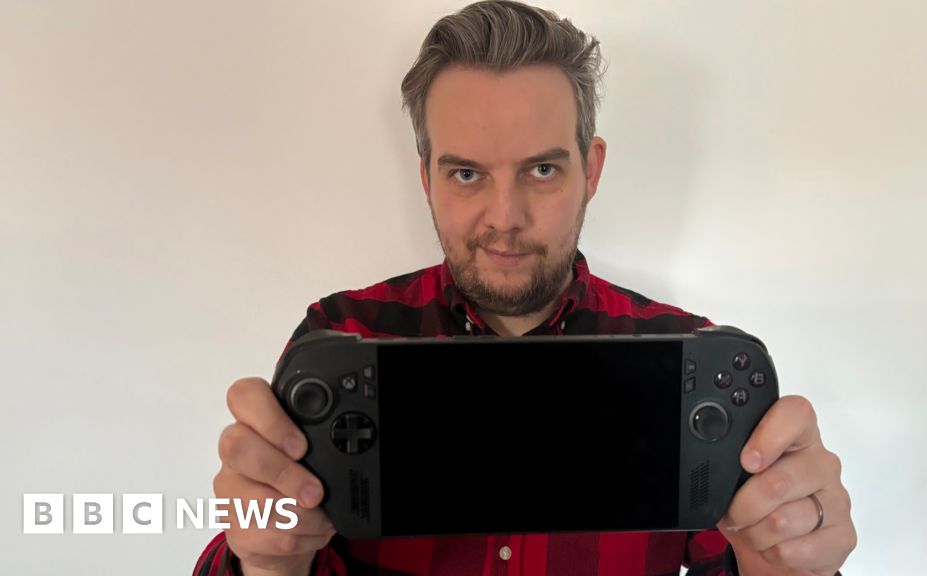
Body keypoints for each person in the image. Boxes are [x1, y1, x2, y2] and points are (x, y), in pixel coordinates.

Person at [193, 2, 857, 575]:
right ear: (427, 179)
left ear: (591, 169)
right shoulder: (343, 336)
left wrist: (781, 565)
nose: (505, 218)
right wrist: (265, 563)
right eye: (466, 175)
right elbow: (274, 539)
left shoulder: (684, 359)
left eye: (541, 170)